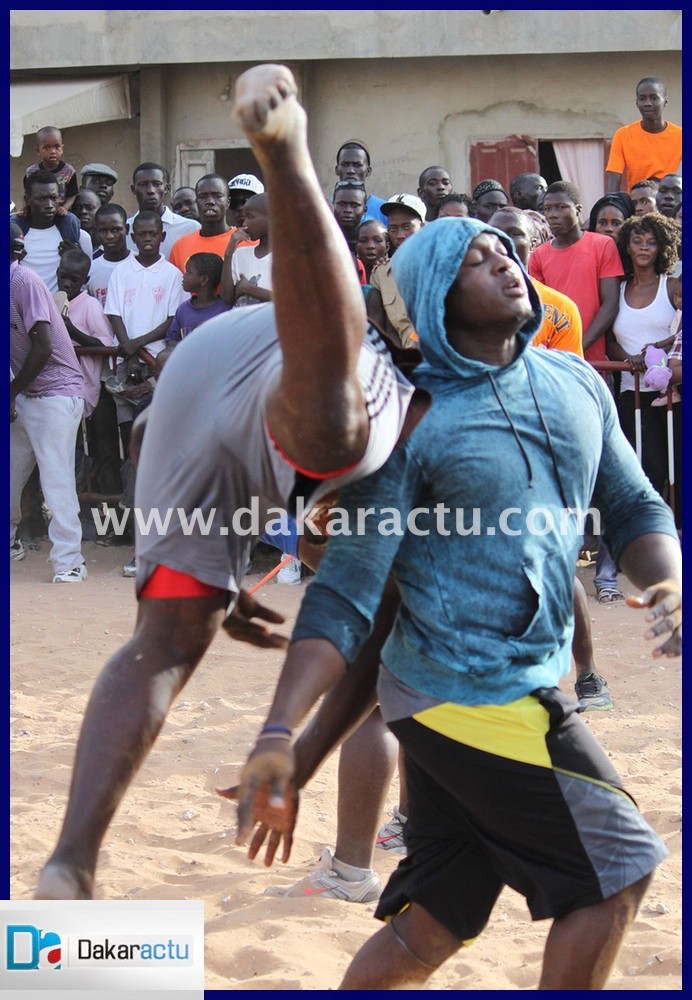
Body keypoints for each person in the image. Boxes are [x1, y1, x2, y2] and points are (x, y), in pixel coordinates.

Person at [234, 216, 681, 991]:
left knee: (441, 915)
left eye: (505, 250)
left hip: (485, 689)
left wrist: (667, 578)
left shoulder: (574, 382)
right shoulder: (412, 423)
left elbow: (635, 506)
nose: (505, 263)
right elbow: (348, 592)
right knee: (617, 873)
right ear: (435, 297)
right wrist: (282, 732)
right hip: (468, 692)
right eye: (477, 260)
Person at [33, 63, 422, 901]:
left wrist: (214, 549)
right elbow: (362, 625)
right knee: (336, 420)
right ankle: (290, 161)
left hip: (190, 388)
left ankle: (71, 861)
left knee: (163, 644)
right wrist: (289, 746)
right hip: (290, 376)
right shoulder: (436, 386)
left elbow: (141, 434)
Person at [10, 222, 87, 583]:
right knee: (9, 478)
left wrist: (10, 393)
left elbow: (41, 346)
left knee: (56, 482)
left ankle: (70, 562)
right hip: (24, 391)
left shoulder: (22, 280)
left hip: (56, 392)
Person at [606, 211, 680, 499]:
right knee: (649, 467)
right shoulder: (618, 289)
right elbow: (610, 339)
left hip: (674, 391)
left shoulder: (672, 287)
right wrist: (629, 360)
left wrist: (656, 349)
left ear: (662, 246)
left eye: (651, 242)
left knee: (679, 469)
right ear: (627, 246)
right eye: (638, 241)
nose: (644, 247)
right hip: (631, 392)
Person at [105, 211, 185, 456]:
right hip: (125, 363)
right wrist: (129, 354)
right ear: (132, 236)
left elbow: (171, 319)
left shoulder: (172, 274)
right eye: (142, 234)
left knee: (155, 430)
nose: (147, 239)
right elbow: (114, 313)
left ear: (162, 236)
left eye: (153, 234)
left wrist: (136, 346)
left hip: (156, 363)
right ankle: (132, 489)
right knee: (128, 432)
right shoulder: (121, 271)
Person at [529, 180, 623, 365]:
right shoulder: (539, 255)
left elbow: (610, 304)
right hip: (553, 359)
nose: (553, 214)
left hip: (591, 359)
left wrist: (575, 348)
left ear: (578, 210)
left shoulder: (602, 245)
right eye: (548, 209)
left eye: (561, 207)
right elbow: (541, 310)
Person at [11, 171, 92, 294]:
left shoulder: (78, 237)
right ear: (27, 199)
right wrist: (11, 261)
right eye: (41, 199)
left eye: (53, 198)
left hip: (63, 310)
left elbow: (86, 283)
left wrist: (77, 257)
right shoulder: (14, 236)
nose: (49, 205)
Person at [369, 194, 426, 349]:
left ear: (423, 226)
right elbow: (389, 328)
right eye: (393, 229)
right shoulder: (381, 274)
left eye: (407, 227)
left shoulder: (442, 265)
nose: (400, 235)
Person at [606, 78, 682, 193]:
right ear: (637, 102)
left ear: (665, 102)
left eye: (654, 98)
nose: (647, 103)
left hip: (667, 201)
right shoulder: (623, 135)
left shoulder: (680, 136)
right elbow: (614, 179)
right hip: (636, 202)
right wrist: (611, 204)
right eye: (642, 98)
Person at [126, 162, 200, 260]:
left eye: (156, 184)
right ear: (133, 189)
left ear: (167, 188)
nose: (150, 190)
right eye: (143, 184)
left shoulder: (191, 228)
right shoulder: (124, 231)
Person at [164, 252, 229, 344]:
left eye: (188, 272)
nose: (184, 276)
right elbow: (172, 338)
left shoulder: (225, 309)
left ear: (204, 280)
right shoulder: (183, 309)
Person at [229, 193, 272, 307]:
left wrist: (248, 289)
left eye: (250, 217)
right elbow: (227, 299)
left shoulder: (290, 258)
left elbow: (290, 301)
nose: (244, 223)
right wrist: (229, 253)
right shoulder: (239, 254)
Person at [23, 126, 78, 214]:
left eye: (57, 147)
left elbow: (72, 195)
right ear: (38, 151)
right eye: (46, 148)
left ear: (62, 148)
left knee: (71, 222)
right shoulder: (31, 172)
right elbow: (27, 195)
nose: (52, 151)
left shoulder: (69, 171)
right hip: (37, 212)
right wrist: (25, 208)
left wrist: (64, 208)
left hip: (60, 213)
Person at [334, 140, 387, 224]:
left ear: (368, 171)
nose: (350, 171)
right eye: (345, 164)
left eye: (357, 165)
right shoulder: (326, 207)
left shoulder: (383, 210)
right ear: (337, 170)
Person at [333, 180, 368, 254]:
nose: (348, 210)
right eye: (342, 204)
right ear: (333, 206)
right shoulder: (323, 238)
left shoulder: (371, 241)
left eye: (354, 205)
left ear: (365, 210)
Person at [355, 219, 389, 284]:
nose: (370, 246)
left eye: (377, 241)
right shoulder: (350, 271)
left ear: (387, 247)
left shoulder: (394, 272)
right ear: (356, 247)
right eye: (363, 241)